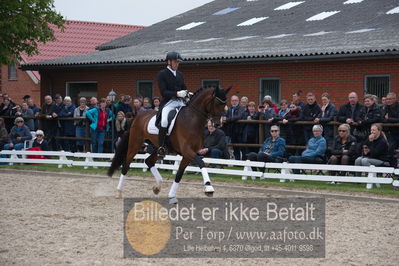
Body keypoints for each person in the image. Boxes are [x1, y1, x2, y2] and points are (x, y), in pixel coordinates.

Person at [157, 51, 188, 158]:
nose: (177, 64)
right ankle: (160, 146)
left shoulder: (180, 74)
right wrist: (177, 93)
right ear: (169, 62)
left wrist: (187, 93)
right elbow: (163, 92)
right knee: (165, 121)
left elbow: (184, 87)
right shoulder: (162, 74)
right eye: (176, 62)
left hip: (180, 102)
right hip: (168, 102)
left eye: (178, 62)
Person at [221, 95, 246, 160]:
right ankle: (237, 162)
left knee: (242, 147)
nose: (234, 102)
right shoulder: (229, 109)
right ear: (231, 101)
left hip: (240, 131)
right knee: (235, 148)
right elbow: (225, 116)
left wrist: (227, 119)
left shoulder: (241, 108)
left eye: (235, 100)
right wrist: (224, 118)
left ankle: (244, 162)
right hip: (232, 131)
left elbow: (238, 117)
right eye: (232, 100)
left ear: (238, 101)